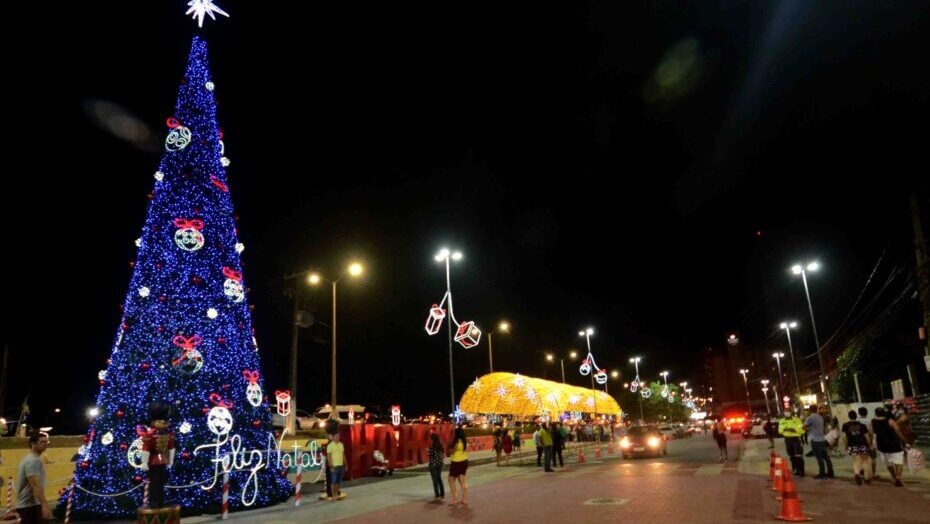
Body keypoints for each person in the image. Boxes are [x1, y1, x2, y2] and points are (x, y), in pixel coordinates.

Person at [139, 401, 176, 508]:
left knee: (161, 481)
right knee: (154, 481)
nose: (163, 423)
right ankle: (153, 501)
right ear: (154, 422)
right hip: (154, 460)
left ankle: (160, 500)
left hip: (163, 459)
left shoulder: (169, 434)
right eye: (160, 421)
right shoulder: (150, 435)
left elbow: (171, 447)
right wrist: (144, 462)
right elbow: (146, 448)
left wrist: (171, 460)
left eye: (165, 421)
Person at [15, 432, 50, 524]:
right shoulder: (32, 461)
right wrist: (44, 505)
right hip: (30, 506)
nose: (45, 444)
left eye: (47, 442)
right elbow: (35, 485)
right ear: (33, 444)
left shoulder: (33, 459)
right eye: (42, 442)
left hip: (31, 505)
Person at [871, 407, 910, 487]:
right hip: (893, 444)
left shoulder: (872, 422)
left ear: (876, 414)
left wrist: (872, 445)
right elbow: (898, 432)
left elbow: (872, 434)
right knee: (898, 461)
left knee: (888, 463)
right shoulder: (890, 421)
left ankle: (894, 477)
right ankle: (898, 477)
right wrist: (906, 442)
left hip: (882, 445)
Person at [841, 411, 872, 485]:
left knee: (856, 460)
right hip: (863, 444)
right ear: (856, 416)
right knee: (865, 461)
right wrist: (870, 445)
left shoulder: (845, 425)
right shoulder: (862, 425)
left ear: (849, 416)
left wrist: (846, 445)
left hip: (852, 444)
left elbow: (844, 437)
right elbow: (866, 436)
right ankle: (866, 477)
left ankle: (857, 473)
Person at [804, 406, 834, 479]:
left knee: (819, 458)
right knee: (826, 457)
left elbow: (804, 427)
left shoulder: (810, 418)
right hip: (822, 439)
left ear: (810, 410)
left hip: (815, 440)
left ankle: (822, 473)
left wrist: (808, 429)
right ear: (816, 409)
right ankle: (830, 473)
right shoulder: (820, 417)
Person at [778, 410, 805, 477]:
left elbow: (802, 430)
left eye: (788, 412)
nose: (787, 413)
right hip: (787, 439)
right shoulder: (782, 421)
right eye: (785, 412)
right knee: (792, 456)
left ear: (791, 412)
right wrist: (785, 429)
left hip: (796, 439)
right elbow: (780, 431)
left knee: (798, 455)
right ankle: (795, 470)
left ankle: (801, 471)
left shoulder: (797, 420)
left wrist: (794, 430)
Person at [447, 428, 469, 505]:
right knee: (462, 481)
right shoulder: (464, 442)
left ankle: (454, 499)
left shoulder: (457, 442)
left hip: (456, 462)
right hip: (464, 461)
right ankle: (465, 499)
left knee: (451, 480)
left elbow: (451, 452)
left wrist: (449, 446)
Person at [857, 406, 878, 480]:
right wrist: (871, 443)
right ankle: (874, 473)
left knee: (862, 457)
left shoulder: (857, 421)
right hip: (869, 441)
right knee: (873, 457)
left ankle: (862, 472)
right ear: (867, 413)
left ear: (859, 413)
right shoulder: (869, 421)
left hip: (860, 442)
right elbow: (871, 433)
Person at [326, 431, 347, 500]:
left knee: (338, 481)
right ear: (333, 438)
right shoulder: (330, 446)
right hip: (334, 466)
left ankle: (336, 494)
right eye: (336, 436)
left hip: (340, 465)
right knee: (333, 481)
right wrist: (331, 466)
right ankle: (333, 495)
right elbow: (329, 457)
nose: (338, 438)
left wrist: (346, 464)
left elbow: (343, 455)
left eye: (339, 436)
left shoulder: (341, 445)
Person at [427, 433, 444, 500]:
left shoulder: (432, 447)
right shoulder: (440, 446)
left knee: (435, 480)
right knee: (439, 479)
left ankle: (437, 494)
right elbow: (441, 455)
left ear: (432, 439)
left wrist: (427, 451)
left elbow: (430, 454)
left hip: (433, 465)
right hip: (439, 464)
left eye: (430, 439)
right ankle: (442, 493)